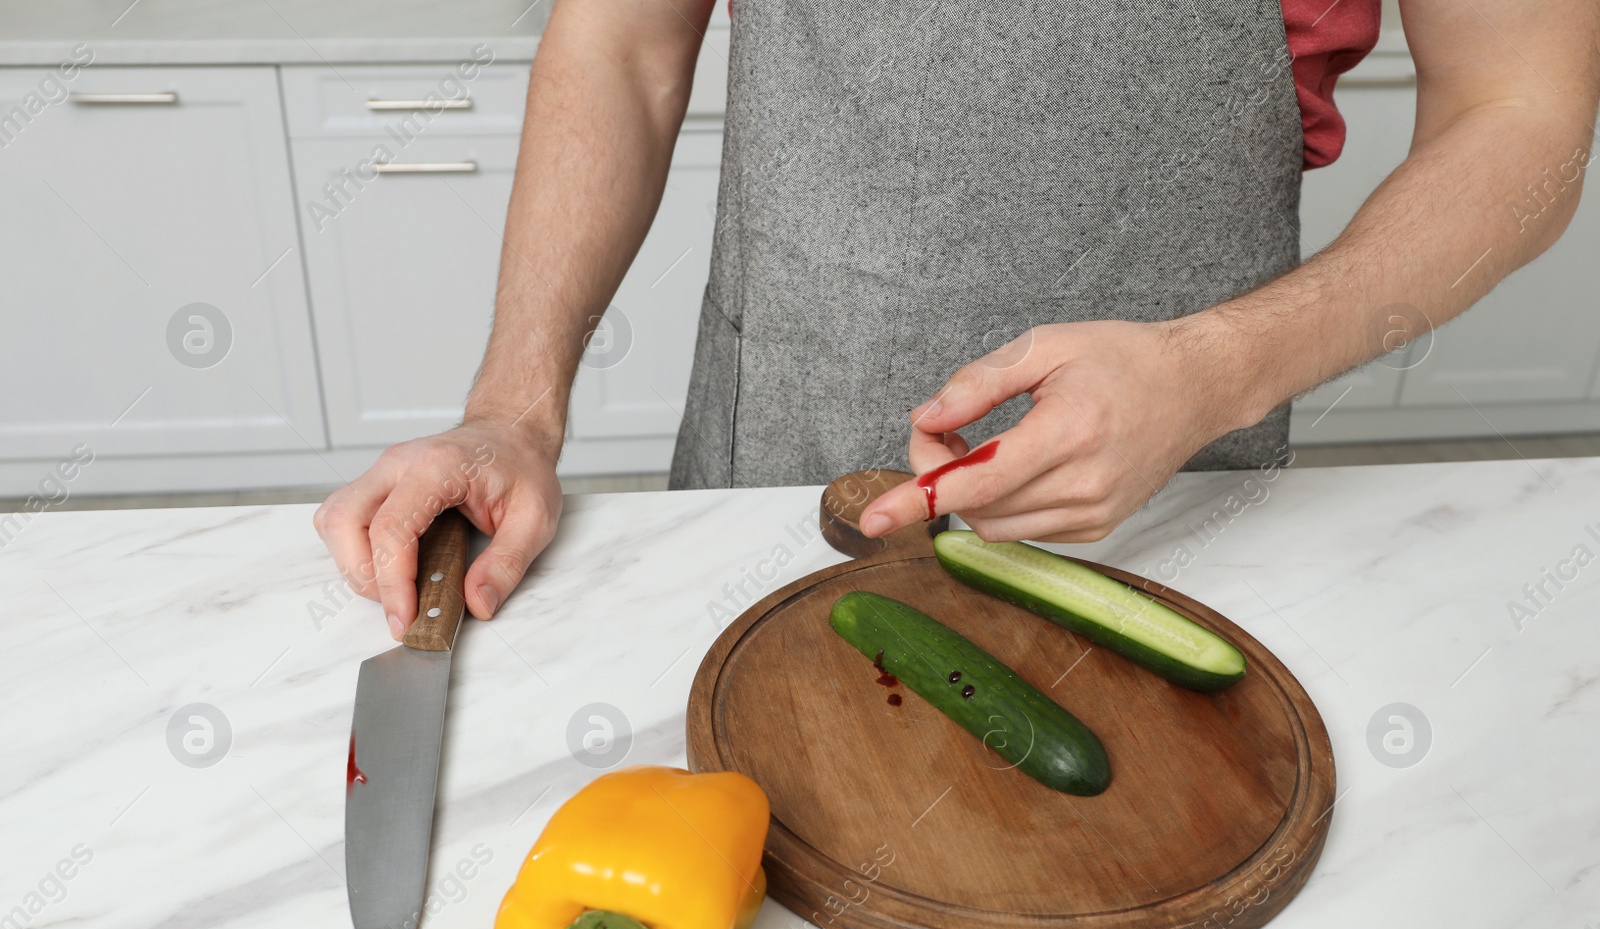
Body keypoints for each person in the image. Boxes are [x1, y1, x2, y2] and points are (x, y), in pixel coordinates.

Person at [315, 0, 1600, 638]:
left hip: (1178, 494)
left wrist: (1218, 367)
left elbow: (1521, 110)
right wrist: (514, 407)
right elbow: (623, 44)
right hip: (777, 469)